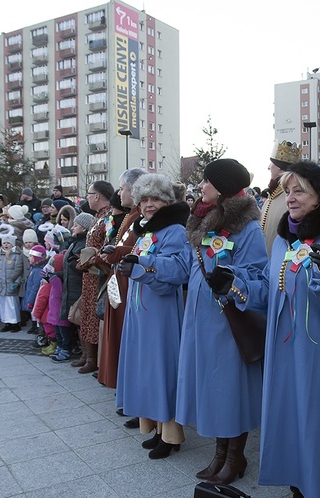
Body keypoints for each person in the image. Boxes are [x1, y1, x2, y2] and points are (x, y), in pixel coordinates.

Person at [214, 161, 320, 497]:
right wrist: (234, 286)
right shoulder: (286, 242)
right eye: (287, 191)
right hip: (284, 351)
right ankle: (300, 482)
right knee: (293, 416)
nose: (291, 198)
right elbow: (274, 292)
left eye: (299, 190)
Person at [176, 159, 266, 484]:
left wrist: (231, 281)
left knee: (230, 390)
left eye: (207, 182)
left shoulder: (248, 228)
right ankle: (219, 453)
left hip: (229, 322)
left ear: (224, 189)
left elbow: (257, 275)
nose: (201, 187)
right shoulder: (203, 224)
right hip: (202, 321)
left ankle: (235, 456)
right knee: (213, 390)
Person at [116, 173, 191, 460]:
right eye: (144, 199)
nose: (149, 204)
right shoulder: (147, 230)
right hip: (142, 307)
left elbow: (177, 269)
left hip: (160, 310)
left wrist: (139, 265)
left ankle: (171, 434)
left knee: (162, 368)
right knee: (148, 368)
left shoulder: (174, 230)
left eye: (155, 199)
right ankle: (158, 428)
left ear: (167, 201)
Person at [97, 168, 146, 390]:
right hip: (120, 280)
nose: (120, 193)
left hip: (129, 282)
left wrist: (116, 252)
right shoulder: (132, 215)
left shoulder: (140, 216)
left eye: (123, 188)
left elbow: (140, 249)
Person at [72, 180, 114, 374]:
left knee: (94, 315)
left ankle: (94, 358)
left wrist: (90, 259)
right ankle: (87, 355)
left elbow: (106, 244)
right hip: (89, 272)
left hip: (98, 271)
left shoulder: (109, 216)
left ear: (97, 196)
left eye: (89, 194)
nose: (87, 197)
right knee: (87, 314)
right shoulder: (99, 216)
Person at [54, 212, 93, 363]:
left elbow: (82, 266)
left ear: (84, 228)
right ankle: (83, 354)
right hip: (71, 287)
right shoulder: (73, 243)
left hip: (78, 288)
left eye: (76, 225)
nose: (72, 227)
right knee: (77, 322)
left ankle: (87, 356)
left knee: (80, 321)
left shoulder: (84, 243)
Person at [260, 140, 301, 254]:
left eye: (272, 164)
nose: (269, 167)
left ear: (280, 168)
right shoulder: (271, 197)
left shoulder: (292, 201)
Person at [0, 234, 25, 332]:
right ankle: (7, 323)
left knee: (12, 306)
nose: (6, 245)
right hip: (1, 285)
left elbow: (19, 271)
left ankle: (15, 323)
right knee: (3, 306)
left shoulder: (17, 255)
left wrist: (17, 282)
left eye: (8, 243)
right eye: (4, 243)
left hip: (11, 285)